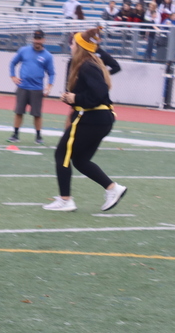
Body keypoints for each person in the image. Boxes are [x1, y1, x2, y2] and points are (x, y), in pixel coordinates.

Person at [43, 27, 127, 213]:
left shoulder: (87, 65)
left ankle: (66, 200)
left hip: (92, 118)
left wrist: (77, 99)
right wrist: (71, 98)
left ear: (79, 46)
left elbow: (99, 93)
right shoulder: (89, 63)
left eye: (73, 43)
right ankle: (113, 189)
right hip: (99, 118)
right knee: (80, 160)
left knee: (61, 154)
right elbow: (94, 93)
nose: (70, 46)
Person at [7, 30, 55, 145]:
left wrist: (49, 86)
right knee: (19, 112)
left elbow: (52, 73)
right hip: (23, 87)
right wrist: (13, 76)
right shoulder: (24, 50)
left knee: (37, 114)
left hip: (37, 88)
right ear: (33, 39)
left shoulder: (47, 56)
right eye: (35, 38)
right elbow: (13, 63)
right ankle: (15, 134)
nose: (37, 41)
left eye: (39, 39)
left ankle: (38, 136)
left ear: (43, 40)